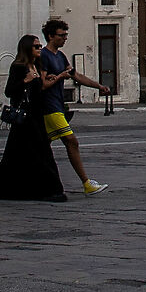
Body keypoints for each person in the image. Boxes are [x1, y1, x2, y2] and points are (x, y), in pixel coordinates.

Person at [0, 35, 67, 202]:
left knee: (25, 153)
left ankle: (34, 189)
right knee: (36, 152)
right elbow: (9, 91)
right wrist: (25, 81)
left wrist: (50, 79)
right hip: (26, 117)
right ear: (27, 48)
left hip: (36, 115)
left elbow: (38, 90)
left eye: (40, 46)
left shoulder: (36, 66)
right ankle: (48, 190)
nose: (39, 48)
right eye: (36, 46)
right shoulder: (19, 67)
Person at [39, 19, 110, 195]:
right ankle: (86, 183)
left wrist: (98, 86)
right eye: (61, 35)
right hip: (49, 107)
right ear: (50, 36)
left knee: (42, 146)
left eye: (66, 35)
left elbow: (76, 76)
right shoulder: (44, 56)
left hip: (56, 105)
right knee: (72, 141)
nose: (65, 39)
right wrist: (60, 76)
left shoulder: (60, 56)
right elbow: (43, 82)